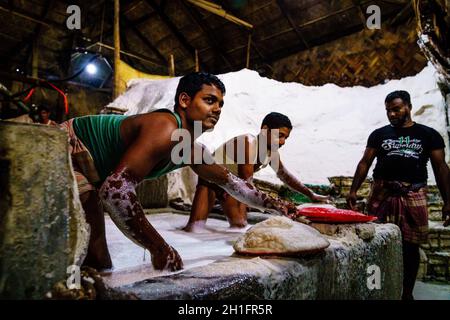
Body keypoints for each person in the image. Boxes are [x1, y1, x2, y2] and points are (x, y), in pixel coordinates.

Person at [61, 72, 296, 272]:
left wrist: (276, 204)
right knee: (96, 258)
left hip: (91, 170)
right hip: (68, 149)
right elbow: (115, 191)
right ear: (185, 100)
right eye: (210, 100)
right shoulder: (165, 127)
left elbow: (234, 184)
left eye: (221, 104)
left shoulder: (192, 148)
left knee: (98, 261)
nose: (217, 109)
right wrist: (159, 248)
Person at [346, 90, 450, 300]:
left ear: (408, 106)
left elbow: (441, 168)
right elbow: (365, 162)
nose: (391, 114)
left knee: (410, 248)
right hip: (382, 194)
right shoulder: (379, 134)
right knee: (375, 244)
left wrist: (449, 201)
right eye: (388, 111)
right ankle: (375, 291)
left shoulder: (428, 134)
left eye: (396, 109)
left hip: (413, 194)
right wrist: (353, 190)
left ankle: (407, 294)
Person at [184, 112, 329, 232]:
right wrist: (274, 205)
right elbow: (247, 182)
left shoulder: (271, 152)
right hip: (210, 180)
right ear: (265, 130)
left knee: (239, 227)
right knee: (195, 229)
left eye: (286, 137)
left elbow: (285, 176)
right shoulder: (248, 142)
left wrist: (311, 194)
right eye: (280, 135)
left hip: (233, 185)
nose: (283, 141)